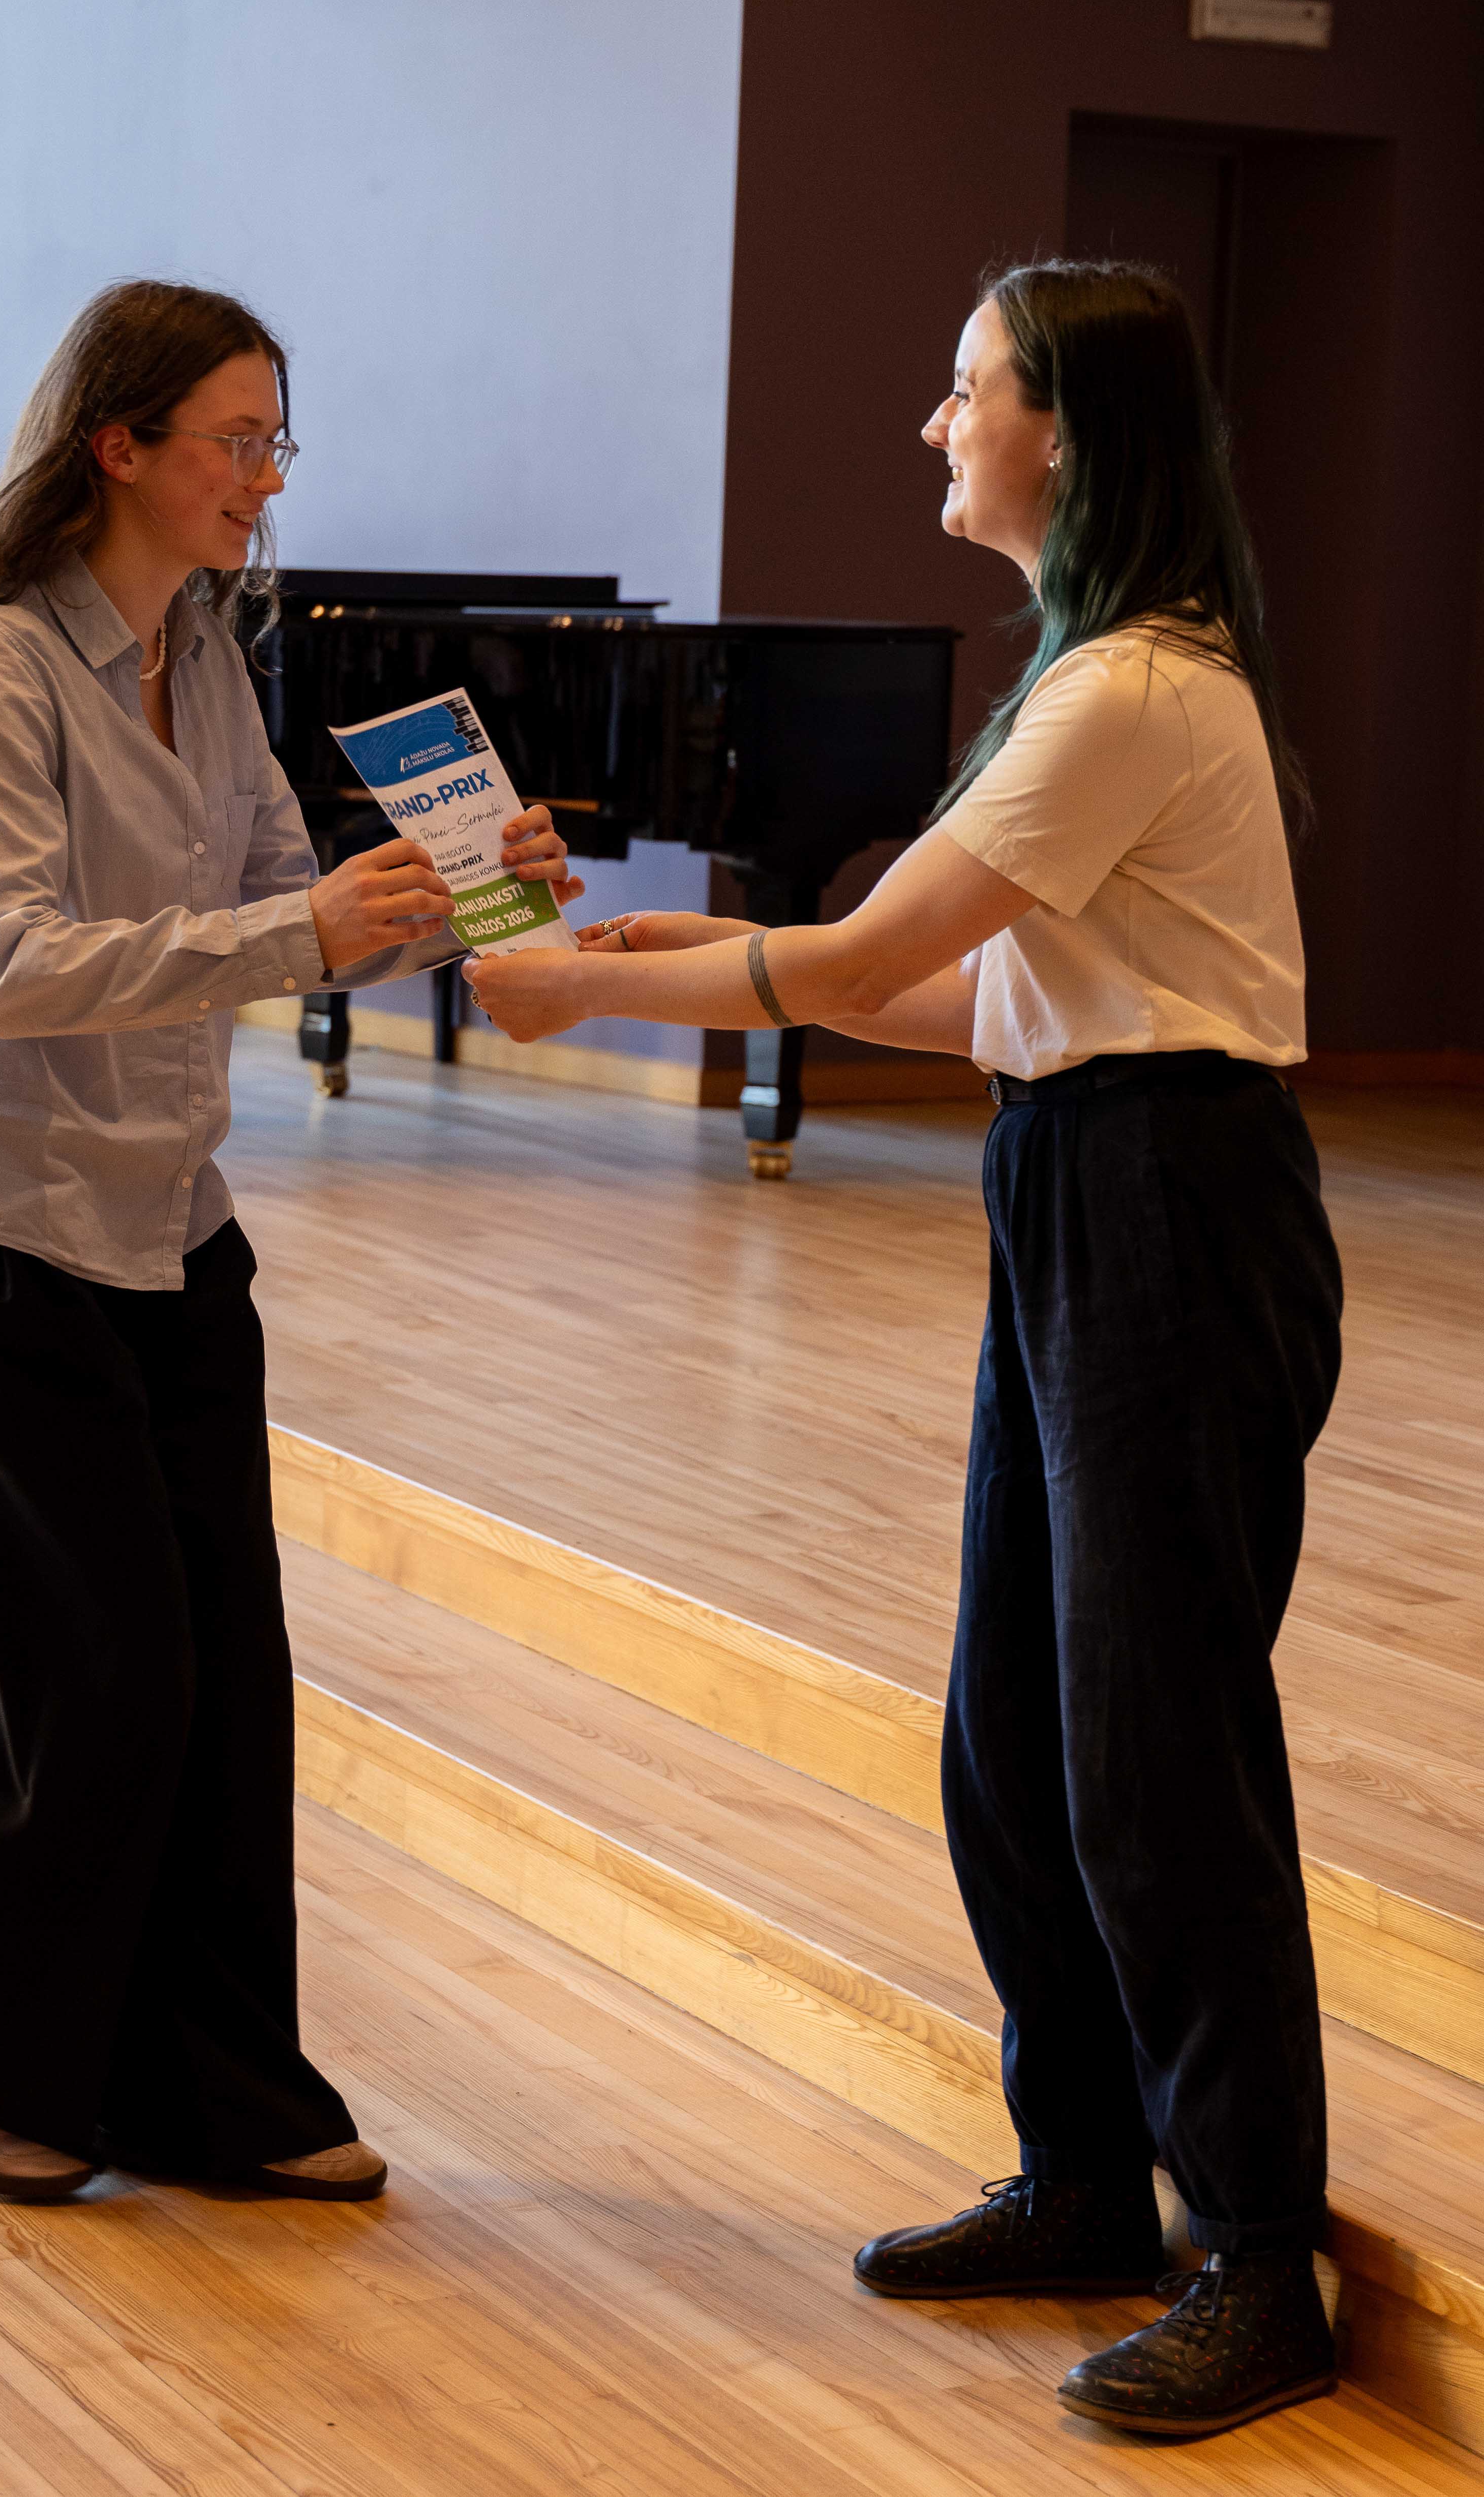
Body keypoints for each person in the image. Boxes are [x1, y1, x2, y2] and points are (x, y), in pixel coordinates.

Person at [465, 260, 1344, 2439]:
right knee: (1013, 1728)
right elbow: (963, 996)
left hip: (1171, 1201)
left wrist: (594, 987)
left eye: (967, 390)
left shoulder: (1130, 686)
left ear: (1069, 431)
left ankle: (1259, 2252)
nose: (935, 424)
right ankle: (1085, 2174)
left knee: (1155, 1748)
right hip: (1079, 1173)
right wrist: (714, 946)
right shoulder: (1087, 673)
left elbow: (864, 965)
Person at [0, 279, 581, 2206]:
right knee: (82, 1673)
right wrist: (302, 928)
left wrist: (450, 900)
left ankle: (208, 2085)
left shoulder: (210, 658)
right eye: (237, 441)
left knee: (223, 1679)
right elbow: (10, 969)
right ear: (120, 445)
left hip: (160, 1227)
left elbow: (275, 914)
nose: (266, 477)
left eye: (274, 441)